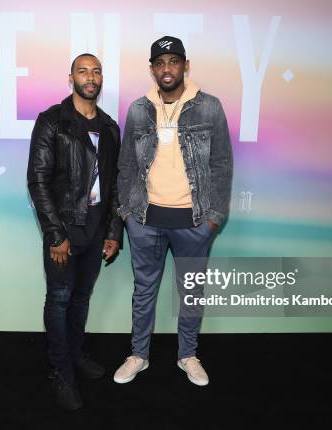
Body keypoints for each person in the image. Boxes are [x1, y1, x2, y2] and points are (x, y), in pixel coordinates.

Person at [114, 36, 233, 387]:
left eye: (174, 61)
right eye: (161, 63)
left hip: (194, 222)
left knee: (191, 292)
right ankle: (138, 355)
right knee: (144, 290)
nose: (167, 69)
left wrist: (214, 218)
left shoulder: (209, 107)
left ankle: (188, 355)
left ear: (185, 65)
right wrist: (127, 213)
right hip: (145, 219)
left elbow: (221, 164)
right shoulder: (139, 109)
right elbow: (126, 166)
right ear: (152, 69)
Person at [27, 53, 122, 410]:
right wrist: (55, 234)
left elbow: (115, 185)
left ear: (101, 79)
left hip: (97, 231)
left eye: (96, 71)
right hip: (65, 231)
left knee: (81, 298)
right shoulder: (53, 121)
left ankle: (75, 354)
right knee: (60, 299)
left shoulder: (111, 127)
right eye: (83, 71)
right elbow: (37, 179)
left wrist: (114, 231)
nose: (90, 76)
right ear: (71, 78)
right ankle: (61, 372)